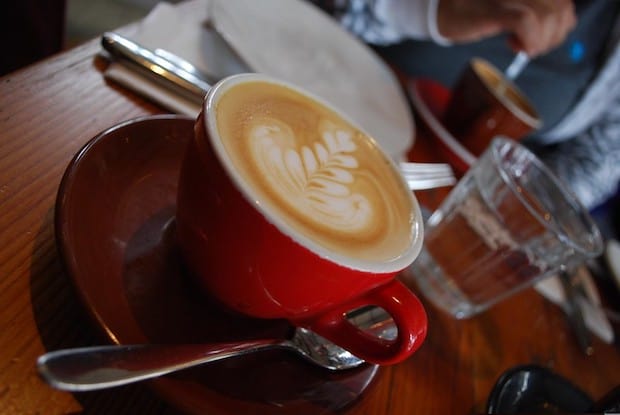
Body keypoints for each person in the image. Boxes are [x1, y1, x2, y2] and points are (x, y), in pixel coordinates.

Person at [316, 0, 620, 211]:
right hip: (326, 89)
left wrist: (504, 208)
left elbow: (594, 165)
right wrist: (436, 11)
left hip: (431, 195)